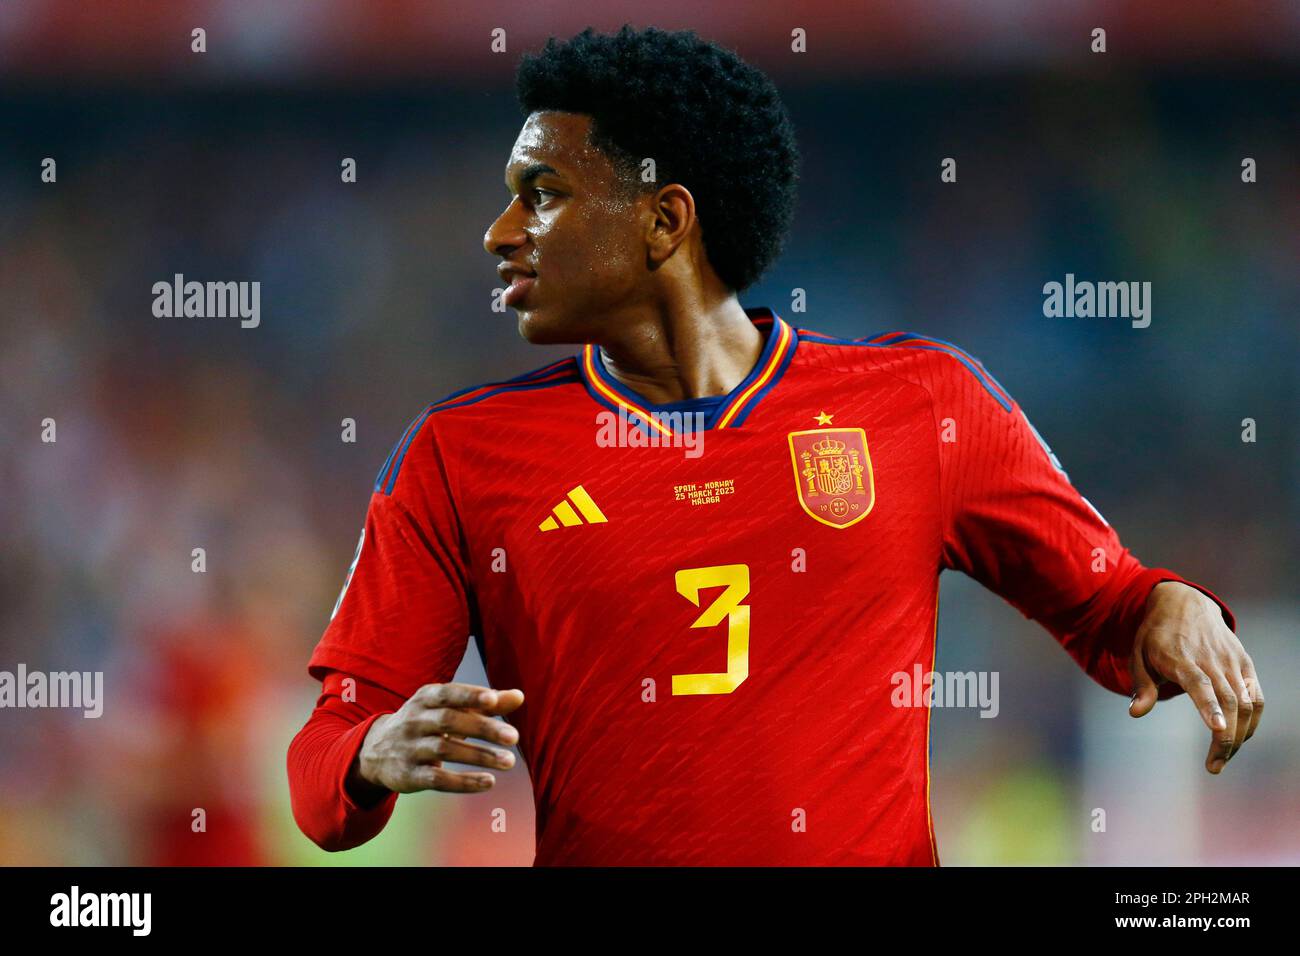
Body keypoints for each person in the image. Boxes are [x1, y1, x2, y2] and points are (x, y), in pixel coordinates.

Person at [287, 25, 1263, 865]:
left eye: (541, 193)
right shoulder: (459, 457)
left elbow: (1111, 603)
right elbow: (320, 769)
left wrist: (1174, 604)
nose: (500, 232)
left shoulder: (922, 402)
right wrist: (372, 752)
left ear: (663, 221)